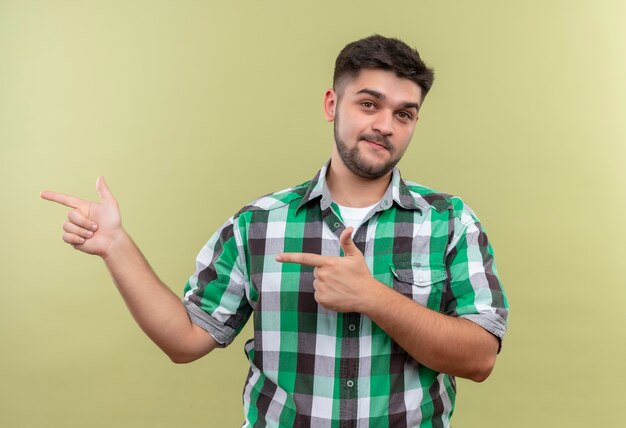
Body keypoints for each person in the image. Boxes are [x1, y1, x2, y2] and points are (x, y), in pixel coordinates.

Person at [41, 35, 508, 428]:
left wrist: (373, 297)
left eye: (404, 114)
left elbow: (480, 358)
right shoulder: (258, 225)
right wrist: (115, 247)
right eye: (369, 104)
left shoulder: (450, 221)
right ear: (332, 104)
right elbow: (184, 341)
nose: (385, 126)